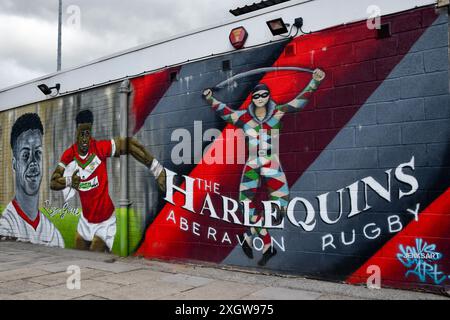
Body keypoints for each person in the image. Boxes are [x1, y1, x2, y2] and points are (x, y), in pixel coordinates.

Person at [203, 68, 325, 266]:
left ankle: (250, 236)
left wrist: (315, 82)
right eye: (256, 95)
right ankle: (267, 245)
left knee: (281, 206)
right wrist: (210, 99)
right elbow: (225, 112)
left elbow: (297, 103)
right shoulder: (244, 118)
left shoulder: (276, 114)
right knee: (245, 204)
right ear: (252, 99)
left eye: (264, 95)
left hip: (271, 162)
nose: (260, 98)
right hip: (252, 164)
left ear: (268, 96)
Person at [50, 109, 165, 252]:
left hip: (105, 221)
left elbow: (129, 145)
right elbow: (53, 182)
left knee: (95, 255)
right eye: (81, 134)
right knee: (78, 255)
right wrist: (68, 181)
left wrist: (157, 169)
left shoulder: (99, 148)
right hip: (85, 221)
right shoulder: (69, 154)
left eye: (88, 133)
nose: (85, 139)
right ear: (76, 131)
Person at [0, 113, 64, 247]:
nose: (33, 162)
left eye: (38, 153)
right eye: (25, 155)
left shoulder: (53, 234)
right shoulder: (6, 227)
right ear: (14, 164)